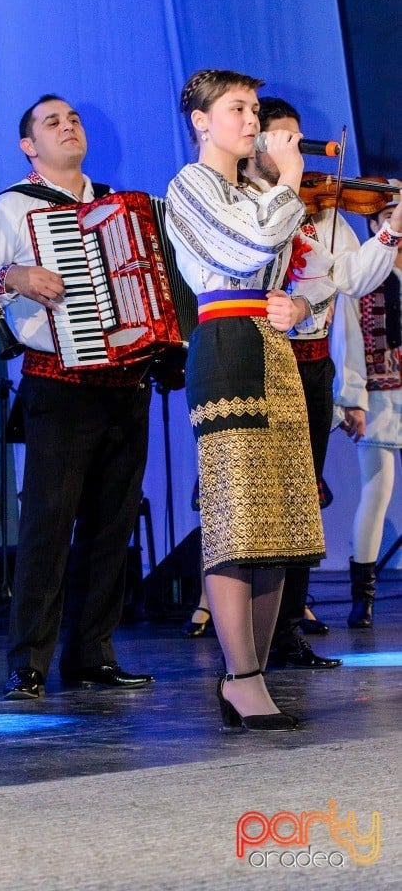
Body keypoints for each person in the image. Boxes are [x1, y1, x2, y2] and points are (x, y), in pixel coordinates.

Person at [0, 94, 154, 699]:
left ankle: (92, 651)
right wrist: (11, 276)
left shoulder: (122, 208)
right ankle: (29, 659)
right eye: (52, 122)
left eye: (73, 120)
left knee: (111, 525)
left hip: (126, 381)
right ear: (28, 146)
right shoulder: (11, 209)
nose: (68, 127)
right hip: (56, 381)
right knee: (48, 523)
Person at [166, 69, 328, 732]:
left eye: (255, 107)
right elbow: (247, 244)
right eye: (237, 107)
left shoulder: (256, 187)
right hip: (226, 345)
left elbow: (285, 270)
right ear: (202, 121)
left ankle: (252, 676)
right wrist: (289, 179)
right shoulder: (191, 183)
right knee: (238, 511)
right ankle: (241, 676)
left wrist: (299, 303)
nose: (252, 118)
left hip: (269, 341)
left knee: (279, 517)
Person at [242, 97, 401, 667]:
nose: (295, 153)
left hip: (313, 363)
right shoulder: (251, 207)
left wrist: (388, 233)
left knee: (304, 496)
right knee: (267, 496)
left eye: (298, 140)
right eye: (281, 139)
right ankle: (250, 630)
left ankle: (290, 628)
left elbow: (354, 281)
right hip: (262, 359)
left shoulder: (328, 213)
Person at [331, 186, 402, 627]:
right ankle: (364, 597)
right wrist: (352, 399)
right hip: (380, 395)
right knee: (378, 491)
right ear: (377, 224)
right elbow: (350, 341)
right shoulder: (364, 276)